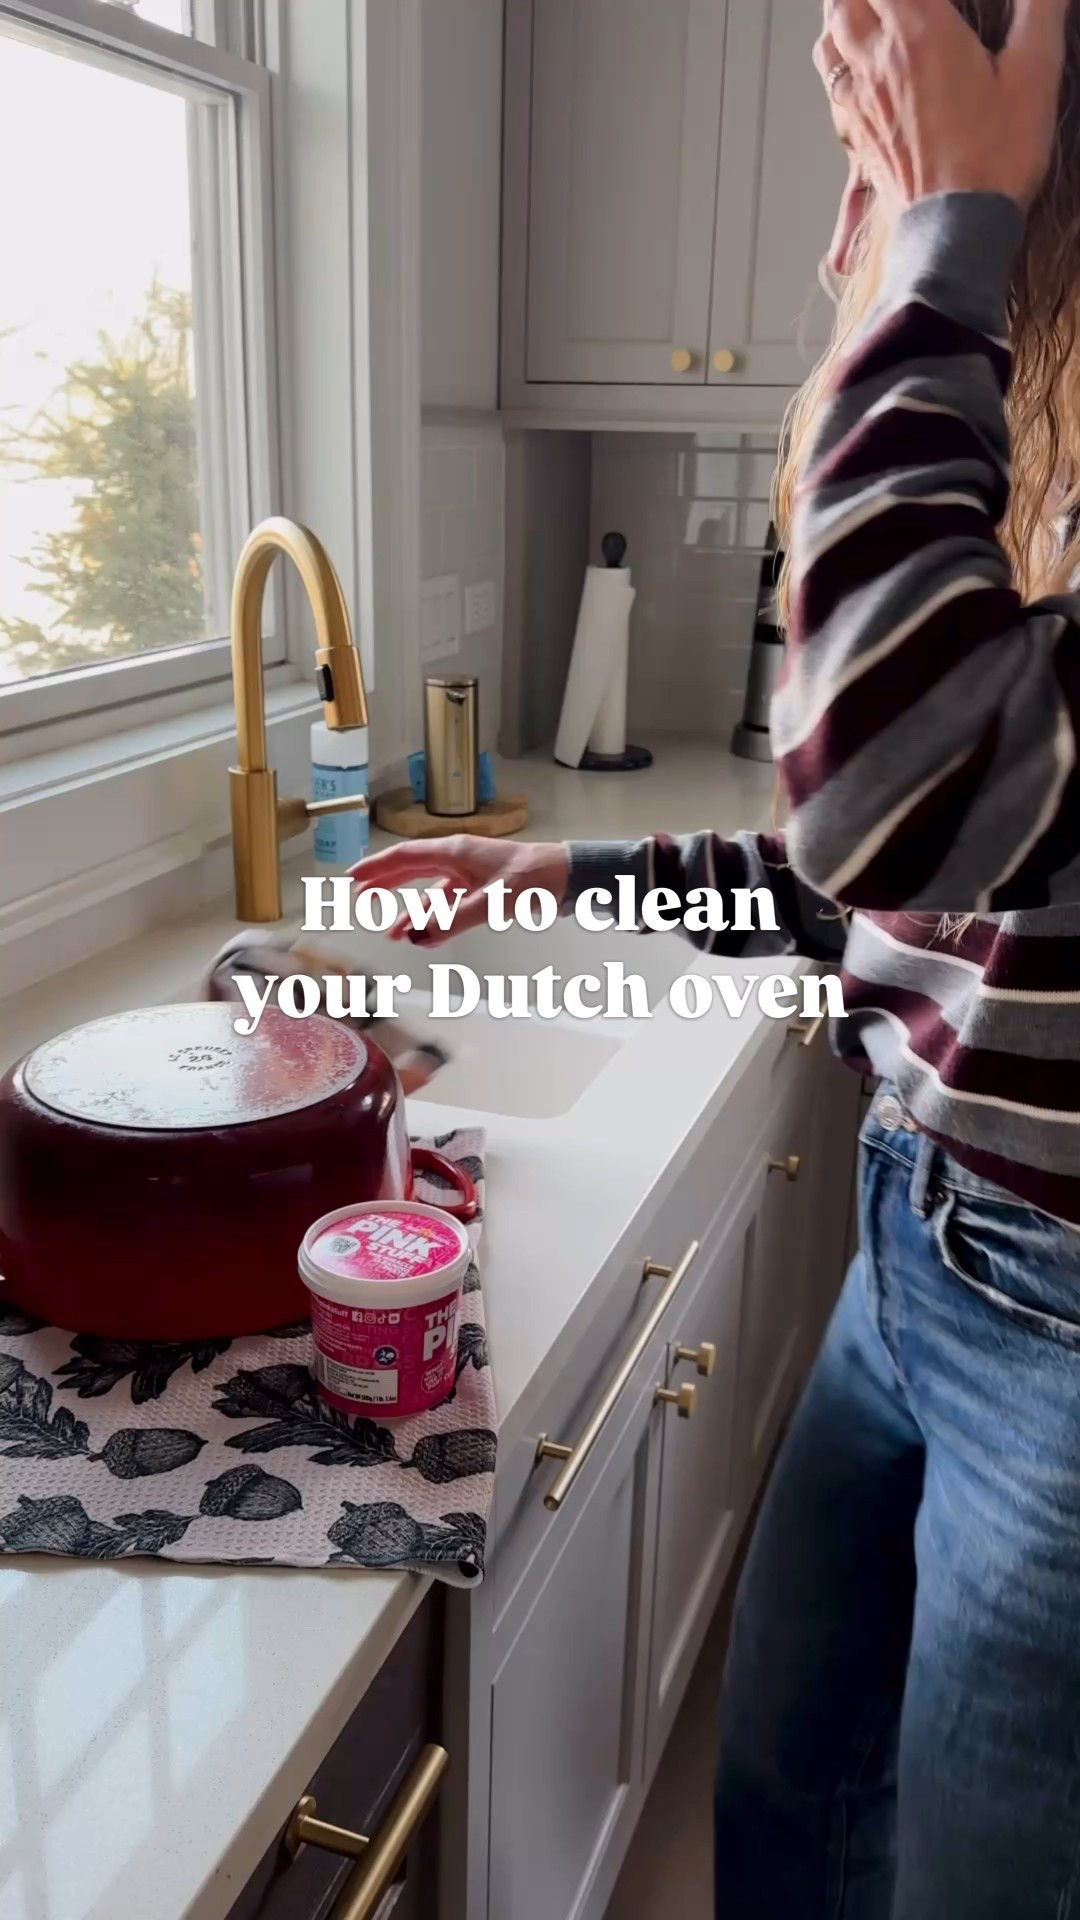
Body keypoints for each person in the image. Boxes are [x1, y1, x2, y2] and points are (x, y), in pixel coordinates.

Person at [348, 2, 1080, 1911]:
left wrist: (951, 243)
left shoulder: (971, 361)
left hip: (1066, 1330)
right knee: (791, 1809)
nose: (847, 245)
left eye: (883, 183)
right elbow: (906, 895)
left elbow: (900, 793)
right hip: (921, 1240)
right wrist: (561, 880)